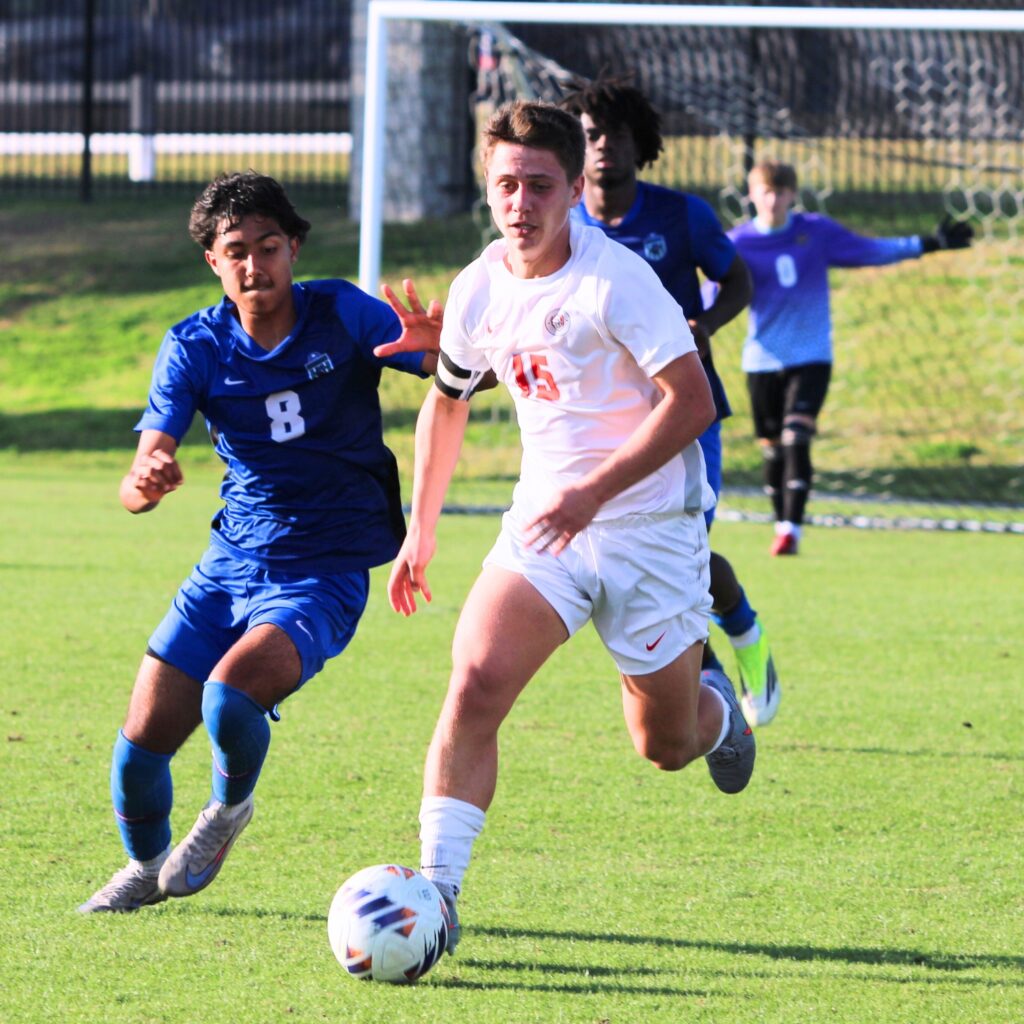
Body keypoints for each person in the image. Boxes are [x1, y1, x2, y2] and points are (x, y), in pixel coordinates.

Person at [376, 100, 756, 956]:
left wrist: (595, 492)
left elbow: (691, 403)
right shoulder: (480, 285)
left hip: (650, 529)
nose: (521, 203)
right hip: (544, 529)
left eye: (541, 185)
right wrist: (420, 532)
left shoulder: (617, 280)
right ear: (488, 187)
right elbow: (447, 401)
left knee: (664, 746)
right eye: (506, 184)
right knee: (472, 686)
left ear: (576, 187)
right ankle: (436, 900)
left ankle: (718, 713)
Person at [78, 171, 439, 914]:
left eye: (268, 246)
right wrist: (146, 478)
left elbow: (459, 372)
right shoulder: (193, 346)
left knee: (229, 697)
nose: (254, 265)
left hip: (324, 572)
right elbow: (136, 479)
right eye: (235, 250)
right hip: (229, 565)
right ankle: (145, 869)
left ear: (294, 246)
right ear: (213, 261)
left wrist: (447, 354)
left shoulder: (341, 311)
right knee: (137, 748)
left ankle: (228, 810)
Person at [561, 78, 779, 728]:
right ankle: (707, 680)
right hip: (603, 421)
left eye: (616, 135)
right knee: (635, 559)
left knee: (684, 553)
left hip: (683, 410)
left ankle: (743, 636)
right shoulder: (562, 222)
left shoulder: (682, 215)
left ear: (641, 143)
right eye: (591, 135)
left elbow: (737, 277)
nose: (604, 148)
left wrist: (706, 327)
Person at [729, 160, 974, 555]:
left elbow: (871, 251)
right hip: (761, 360)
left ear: (793, 195)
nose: (773, 200)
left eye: (781, 192)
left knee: (797, 437)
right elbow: (715, 293)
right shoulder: (737, 244)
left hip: (811, 357)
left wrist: (929, 243)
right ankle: (781, 522)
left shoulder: (816, 232)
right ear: (752, 195)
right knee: (772, 448)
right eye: (765, 192)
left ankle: (792, 529)